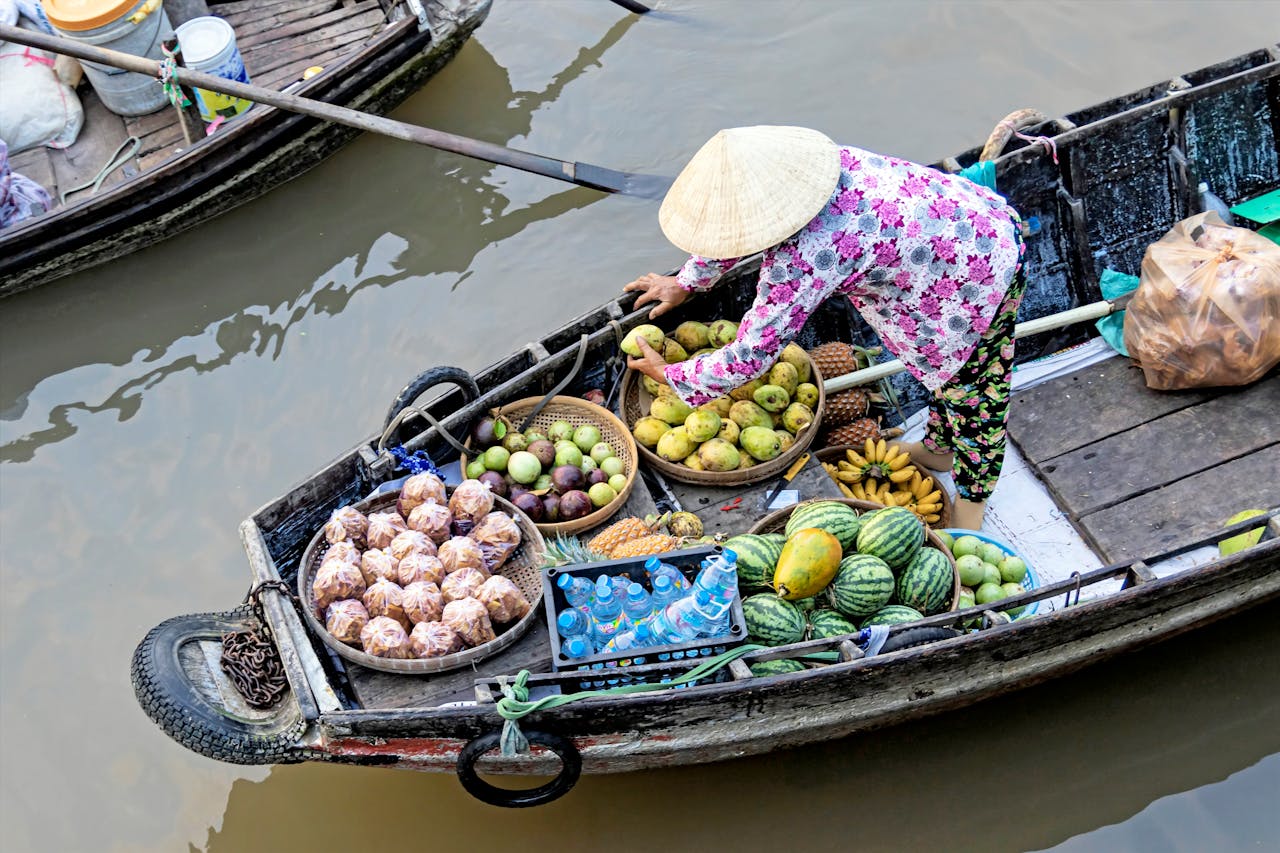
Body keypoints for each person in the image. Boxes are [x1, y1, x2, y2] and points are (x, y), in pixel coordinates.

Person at [624, 126, 1027, 530]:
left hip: (977, 279)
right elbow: (735, 231)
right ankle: (940, 447)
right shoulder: (824, 169)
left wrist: (673, 376)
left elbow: (751, 356)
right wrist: (686, 281)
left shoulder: (806, 256)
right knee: (947, 377)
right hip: (961, 228)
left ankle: (974, 500)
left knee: (975, 397)